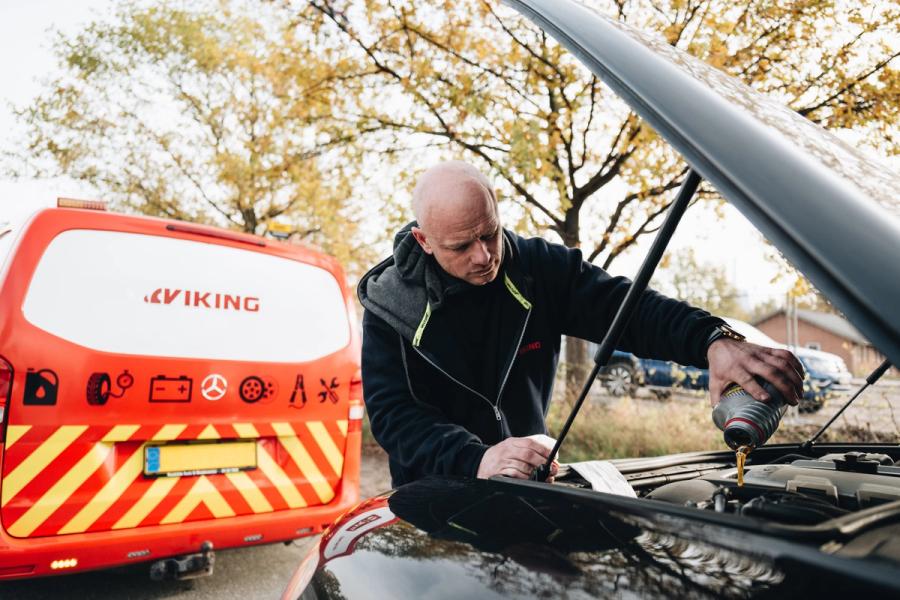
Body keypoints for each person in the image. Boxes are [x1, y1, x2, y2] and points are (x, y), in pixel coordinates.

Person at [358, 160, 804, 487]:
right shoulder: (389, 304)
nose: (484, 256)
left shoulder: (537, 269)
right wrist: (474, 458)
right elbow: (394, 415)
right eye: (461, 246)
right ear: (424, 240)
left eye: (490, 232)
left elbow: (627, 309)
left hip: (531, 485)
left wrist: (711, 339)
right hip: (434, 496)